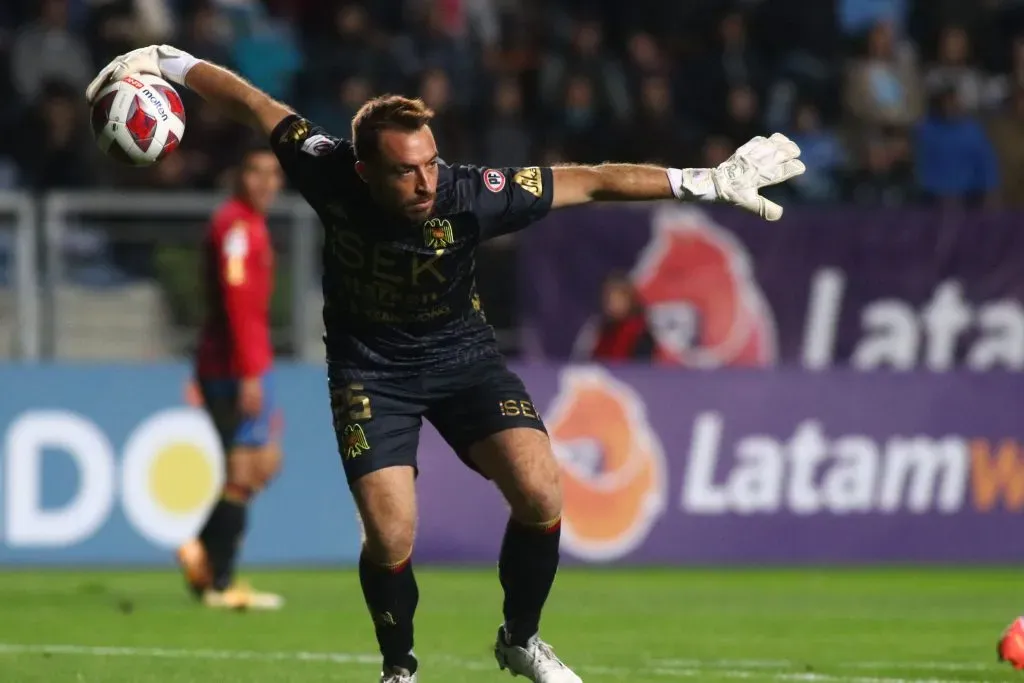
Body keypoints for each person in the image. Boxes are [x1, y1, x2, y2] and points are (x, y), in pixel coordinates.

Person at [86, 44, 805, 683]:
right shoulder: (325, 169)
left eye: (431, 162)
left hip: (463, 356)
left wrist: (704, 181)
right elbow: (251, 103)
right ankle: (399, 666)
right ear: (365, 170)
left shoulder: (469, 193)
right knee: (393, 531)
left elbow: (589, 180)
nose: (428, 182)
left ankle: (521, 639)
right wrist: (165, 58)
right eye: (407, 172)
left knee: (541, 489)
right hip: (371, 370)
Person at [179, 144, 286, 610]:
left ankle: (202, 550)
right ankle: (217, 580)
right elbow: (238, 304)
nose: (266, 182)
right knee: (244, 470)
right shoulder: (237, 227)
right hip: (233, 366)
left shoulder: (248, 225)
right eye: (256, 172)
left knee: (261, 465)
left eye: (274, 174)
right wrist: (248, 373)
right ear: (238, 177)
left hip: (247, 362)